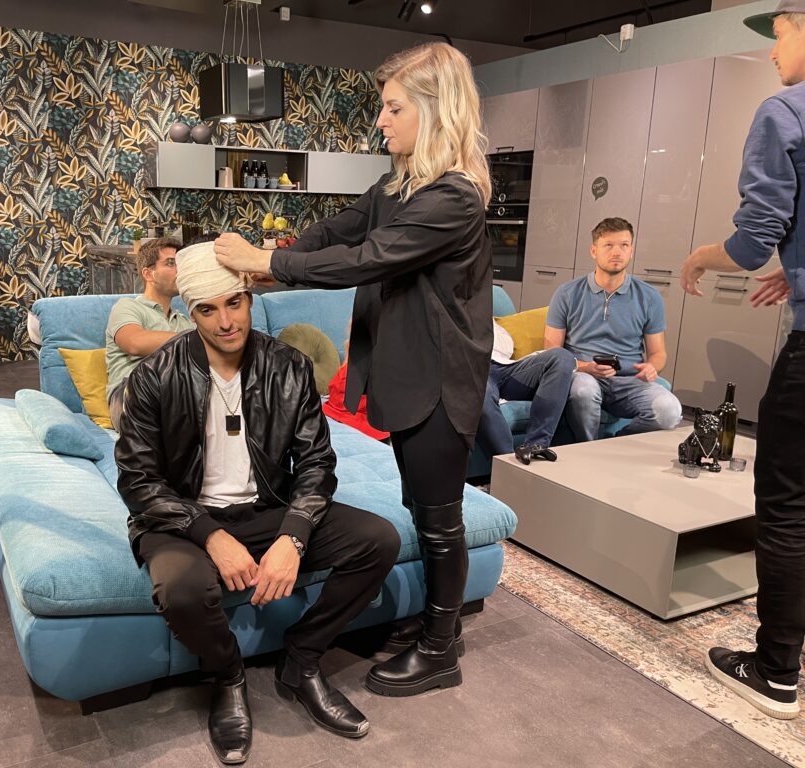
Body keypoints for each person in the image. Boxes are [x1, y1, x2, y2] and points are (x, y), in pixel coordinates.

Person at [214, 42, 492, 697]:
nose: (381, 121)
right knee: (421, 506)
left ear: (435, 109)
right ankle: (440, 624)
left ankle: (440, 650)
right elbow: (342, 229)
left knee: (440, 519)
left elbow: (368, 258)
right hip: (407, 375)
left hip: (439, 381)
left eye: (394, 108)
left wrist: (266, 262)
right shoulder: (400, 183)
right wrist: (276, 258)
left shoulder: (453, 197)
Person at [115, 242, 400, 763]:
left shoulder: (288, 367)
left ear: (249, 298)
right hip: (182, 518)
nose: (226, 322)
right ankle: (228, 677)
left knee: (378, 540)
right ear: (190, 312)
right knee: (181, 588)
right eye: (208, 309)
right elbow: (137, 481)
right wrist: (209, 535)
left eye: (234, 303)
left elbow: (316, 463)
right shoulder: (155, 375)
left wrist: (294, 534)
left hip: (267, 507)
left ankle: (302, 659)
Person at [678, 1, 805, 721]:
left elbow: (755, 238)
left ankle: (776, 670)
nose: (772, 52)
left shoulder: (785, 111)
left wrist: (702, 255)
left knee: (787, 507)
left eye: (779, 35)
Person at [544, 217, 683, 442]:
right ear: (593, 250)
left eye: (624, 245)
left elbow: (658, 353)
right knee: (583, 391)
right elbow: (551, 352)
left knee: (669, 410)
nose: (617, 252)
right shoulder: (567, 293)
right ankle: (587, 448)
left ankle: (615, 444)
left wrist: (652, 367)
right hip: (583, 375)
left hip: (630, 380)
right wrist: (585, 367)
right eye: (608, 245)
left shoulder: (649, 296)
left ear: (631, 251)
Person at [105, 237, 191, 430]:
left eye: (181, 264)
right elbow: (134, 342)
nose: (180, 270)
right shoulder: (128, 307)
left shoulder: (184, 321)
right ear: (148, 274)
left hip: (178, 396)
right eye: (171, 263)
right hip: (129, 395)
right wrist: (195, 339)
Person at [476, 321, 576, 464]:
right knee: (480, 390)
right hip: (472, 370)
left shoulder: (483, 316)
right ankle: (508, 466)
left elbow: (507, 347)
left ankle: (536, 445)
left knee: (562, 357)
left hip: (502, 366)